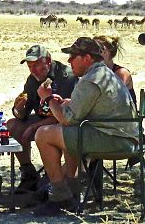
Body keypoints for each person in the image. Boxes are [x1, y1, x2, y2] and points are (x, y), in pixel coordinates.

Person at [34, 37, 138, 216]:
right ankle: (71, 190)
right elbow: (85, 110)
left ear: (88, 58)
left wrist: (48, 98)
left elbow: (67, 118)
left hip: (114, 140)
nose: (69, 61)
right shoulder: (103, 74)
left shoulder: (91, 79)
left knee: (43, 134)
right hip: (123, 137)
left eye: (74, 56)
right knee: (67, 134)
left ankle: (60, 197)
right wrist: (67, 102)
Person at [6, 45, 78, 194]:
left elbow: (64, 115)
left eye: (37, 65)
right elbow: (23, 114)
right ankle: (28, 173)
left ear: (48, 62)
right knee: (12, 125)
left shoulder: (66, 77)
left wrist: (33, 127)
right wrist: (18, 109)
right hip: (42, 118)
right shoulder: (33, 80)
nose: (33, 70)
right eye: (30, 66)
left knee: (45, 131)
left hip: (62, 121)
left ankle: (54, 176)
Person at [93, 35, 137, 107]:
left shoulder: (121, 73)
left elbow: (114, 95)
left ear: (108, 52)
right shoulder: (94, 72)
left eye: (99, 49)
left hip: (124, 115)